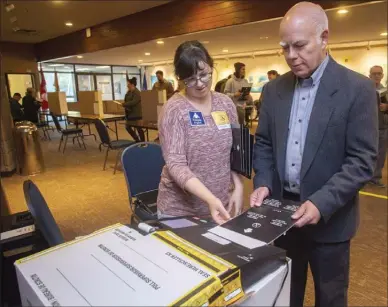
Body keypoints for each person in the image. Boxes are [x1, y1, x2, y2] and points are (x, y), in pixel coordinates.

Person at [250, 2, 378, 307]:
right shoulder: (274, 89)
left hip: (330, 221)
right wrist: (264, 182)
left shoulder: (357, 89)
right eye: (284, 47)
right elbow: (265, 143)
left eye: (299, 45)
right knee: (284, 296)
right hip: (281, 216)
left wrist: (320, 202)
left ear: (324, 38)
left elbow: (362, 161)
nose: (291, 56)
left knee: (330, 299)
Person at [157, 40, 244, 224]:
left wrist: (238, 186)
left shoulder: (225, 104)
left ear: (212, 67)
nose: (199, 84)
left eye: (204, 75)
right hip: (181, 212)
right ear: (180, 78)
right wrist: (209, 198)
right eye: (190, 79)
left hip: (222, 205)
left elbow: (236, 151)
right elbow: (176, 165)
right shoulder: (174, 110)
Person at [369, 65, 388, 187]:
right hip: (367, 127)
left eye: (379, 73)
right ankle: (364, 176)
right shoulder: (365, 88)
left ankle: (375, 177)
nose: (377, 76)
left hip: (382, 127)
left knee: (381, 154)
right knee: (366, 152)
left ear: (382, 76)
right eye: (374, 73)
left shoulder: (385, 91)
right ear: (370, 75)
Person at [122, 77, 145, 142]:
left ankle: (143, 142)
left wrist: (125, 104)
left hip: (137, 114)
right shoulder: (128, 92)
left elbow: (134, 102)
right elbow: (126, 99)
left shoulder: (137, 92)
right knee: (127, 127)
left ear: (132, 85)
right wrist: (125, 104)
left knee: (139, 128)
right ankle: (137, 140)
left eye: (128, 84)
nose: (127, 85)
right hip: (130, 113)